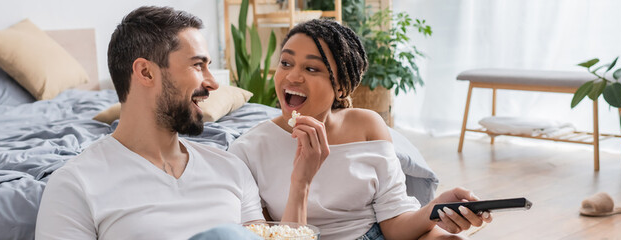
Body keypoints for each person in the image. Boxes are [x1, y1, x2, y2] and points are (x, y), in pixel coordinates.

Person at [35, 6, 324, 239]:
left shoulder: (230, 168)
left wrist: (301, 182)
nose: (212, 83)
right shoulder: (75, 184)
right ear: (146, 73)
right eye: (198, 65)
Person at [228, 19, 492, 240]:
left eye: (311, 68)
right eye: (285, 63)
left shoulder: (367, 125)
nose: (292, 76)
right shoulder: (249, 149)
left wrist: (435, 209)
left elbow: (394, 223)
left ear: (341, 86)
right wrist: (302, 181)